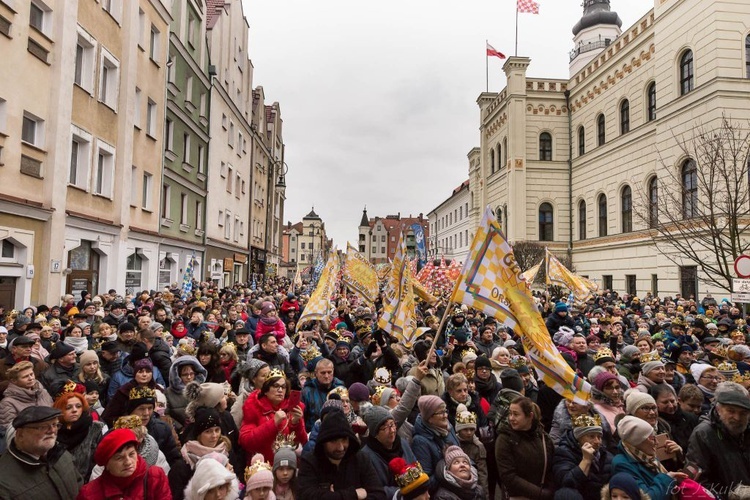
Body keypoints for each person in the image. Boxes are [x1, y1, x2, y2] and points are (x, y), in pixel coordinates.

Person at [297, 409, 386, 500]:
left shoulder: (361, 459)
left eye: (344, 440)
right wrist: (353, 494)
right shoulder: (310, 462)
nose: (340, 447)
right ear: (323, 442)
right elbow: (305, 495)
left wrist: (331, 496)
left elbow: (379, 495)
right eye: (334, 441)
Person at [0, 406, 82, 498]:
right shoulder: (4, 482)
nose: (52, 430)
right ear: (20, 434)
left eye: (55, 424)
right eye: (42, 427)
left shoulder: (60, 453)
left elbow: (78, 482)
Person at [686, 381, 750, 496]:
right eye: (731, 411)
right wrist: (728, 495)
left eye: (743, 413)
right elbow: (698, 482)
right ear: (718, 409)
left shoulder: (747, 429)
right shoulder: (703, 434)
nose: (737, 417)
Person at [76, 428, 172, 499]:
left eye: (131, 454)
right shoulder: (89, 494)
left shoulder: (154, 477)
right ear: (107, 464)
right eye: (119, 458)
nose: (128, 462)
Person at [239, 368, 307, 463]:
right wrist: (273, 423)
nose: (280, 390)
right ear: (266, 390)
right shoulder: (253, 407)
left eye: (283, 387)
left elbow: (302, 442)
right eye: (275, 386)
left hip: (287, 465)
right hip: (263, 465)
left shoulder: (293, 408)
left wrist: (296, 424)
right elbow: (246, 442)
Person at [495, 396, 555, 499]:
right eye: (510, 413)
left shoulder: (543, 438)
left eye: (516, 414)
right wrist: (540, 493)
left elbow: (551, 468)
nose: (511, 418)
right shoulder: (505, 439)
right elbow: (508, 476)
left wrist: (550, 490)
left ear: (530, 416)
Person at [612, 416, 684, 500]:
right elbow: (647, 497)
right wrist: (667, 478)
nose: (656, 443)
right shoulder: (622, 465)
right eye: (652, 439)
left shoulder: (646, 456)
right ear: (638, 441)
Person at [168, 407, 232, 500]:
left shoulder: (226, 452)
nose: (214, 436)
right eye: (208, 431)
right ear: (198, 435)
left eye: (217, 430)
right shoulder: (184, 465)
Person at [360, 405, 418, 498]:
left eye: (392, 424)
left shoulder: (402, 443)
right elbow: (375, 490)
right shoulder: (366, 456)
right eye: (384, 428)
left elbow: (415, 466)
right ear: (375, 434)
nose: (392, 430)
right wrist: (404, 491)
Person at [552, 414, 613, 500]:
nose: (597, 441)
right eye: (591, 436)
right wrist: (586, 460)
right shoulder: (564, 452)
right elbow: (567, 482)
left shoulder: (606, 456)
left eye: (599, 437)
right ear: (579, 437)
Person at [54, 388, 105, 482]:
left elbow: (99, 460)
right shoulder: (52, 431)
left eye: (78, 406)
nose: (74, 410)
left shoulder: (95, 429)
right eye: (68, 407)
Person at [411, 395, 460, 493]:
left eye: (445, 411)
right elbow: (427, 483)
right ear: (429, 418)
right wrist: (447, 469)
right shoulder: (420, 442)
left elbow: (461, 454)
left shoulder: (448, 428)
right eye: (441, 413)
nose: (445, 415)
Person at [0, 360, 53, 429]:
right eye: (25, 377)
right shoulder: (7, 403)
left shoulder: (43, 393)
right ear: (14, 381)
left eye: (31, 374)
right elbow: (9, 430)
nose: (31, 378)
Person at [165, 355, 207, 432]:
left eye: (191, 374)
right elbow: (167, 415)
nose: (189, 377)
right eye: (185, 375)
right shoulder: (168, 393)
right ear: (178, 376)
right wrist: (180, 428)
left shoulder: (202, 389)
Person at [301, 358, 344, 431]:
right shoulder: (307, 392)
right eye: (323, 373)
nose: (326, 376)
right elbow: (302, 418)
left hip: (338, 432)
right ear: (316, 373)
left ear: (333, 371)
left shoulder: (341, 389)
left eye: (329, 372)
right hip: (314, 434)